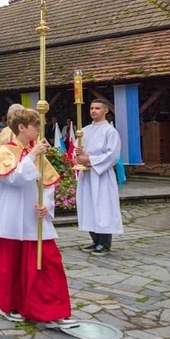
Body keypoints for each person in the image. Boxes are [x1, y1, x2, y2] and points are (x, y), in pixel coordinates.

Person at [0, 108, 75, 328]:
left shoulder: (36, 153)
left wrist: (47, 205)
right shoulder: (6, 151)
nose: (38, 130)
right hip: (13, 218)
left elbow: (48, 183)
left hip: (34, 217)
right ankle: (9, 304)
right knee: (11, 264)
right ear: (22, 128)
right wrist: (32, 156)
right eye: (35, 125)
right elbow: (14, 179)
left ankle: (52, 308)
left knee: (48, 262)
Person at [75, 98, 123, 256]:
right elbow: (78, 148)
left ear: (106, 111)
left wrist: (90, 159)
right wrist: (79, 155)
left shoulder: (110, 131)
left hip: (101, 175)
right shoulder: (85, 130)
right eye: (91, 108)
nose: (93, 111)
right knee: (88, 206)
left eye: (97, 108)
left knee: (102, 207)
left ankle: (104, 242)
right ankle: (94, 239)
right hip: (87, 175)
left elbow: (113, 155)